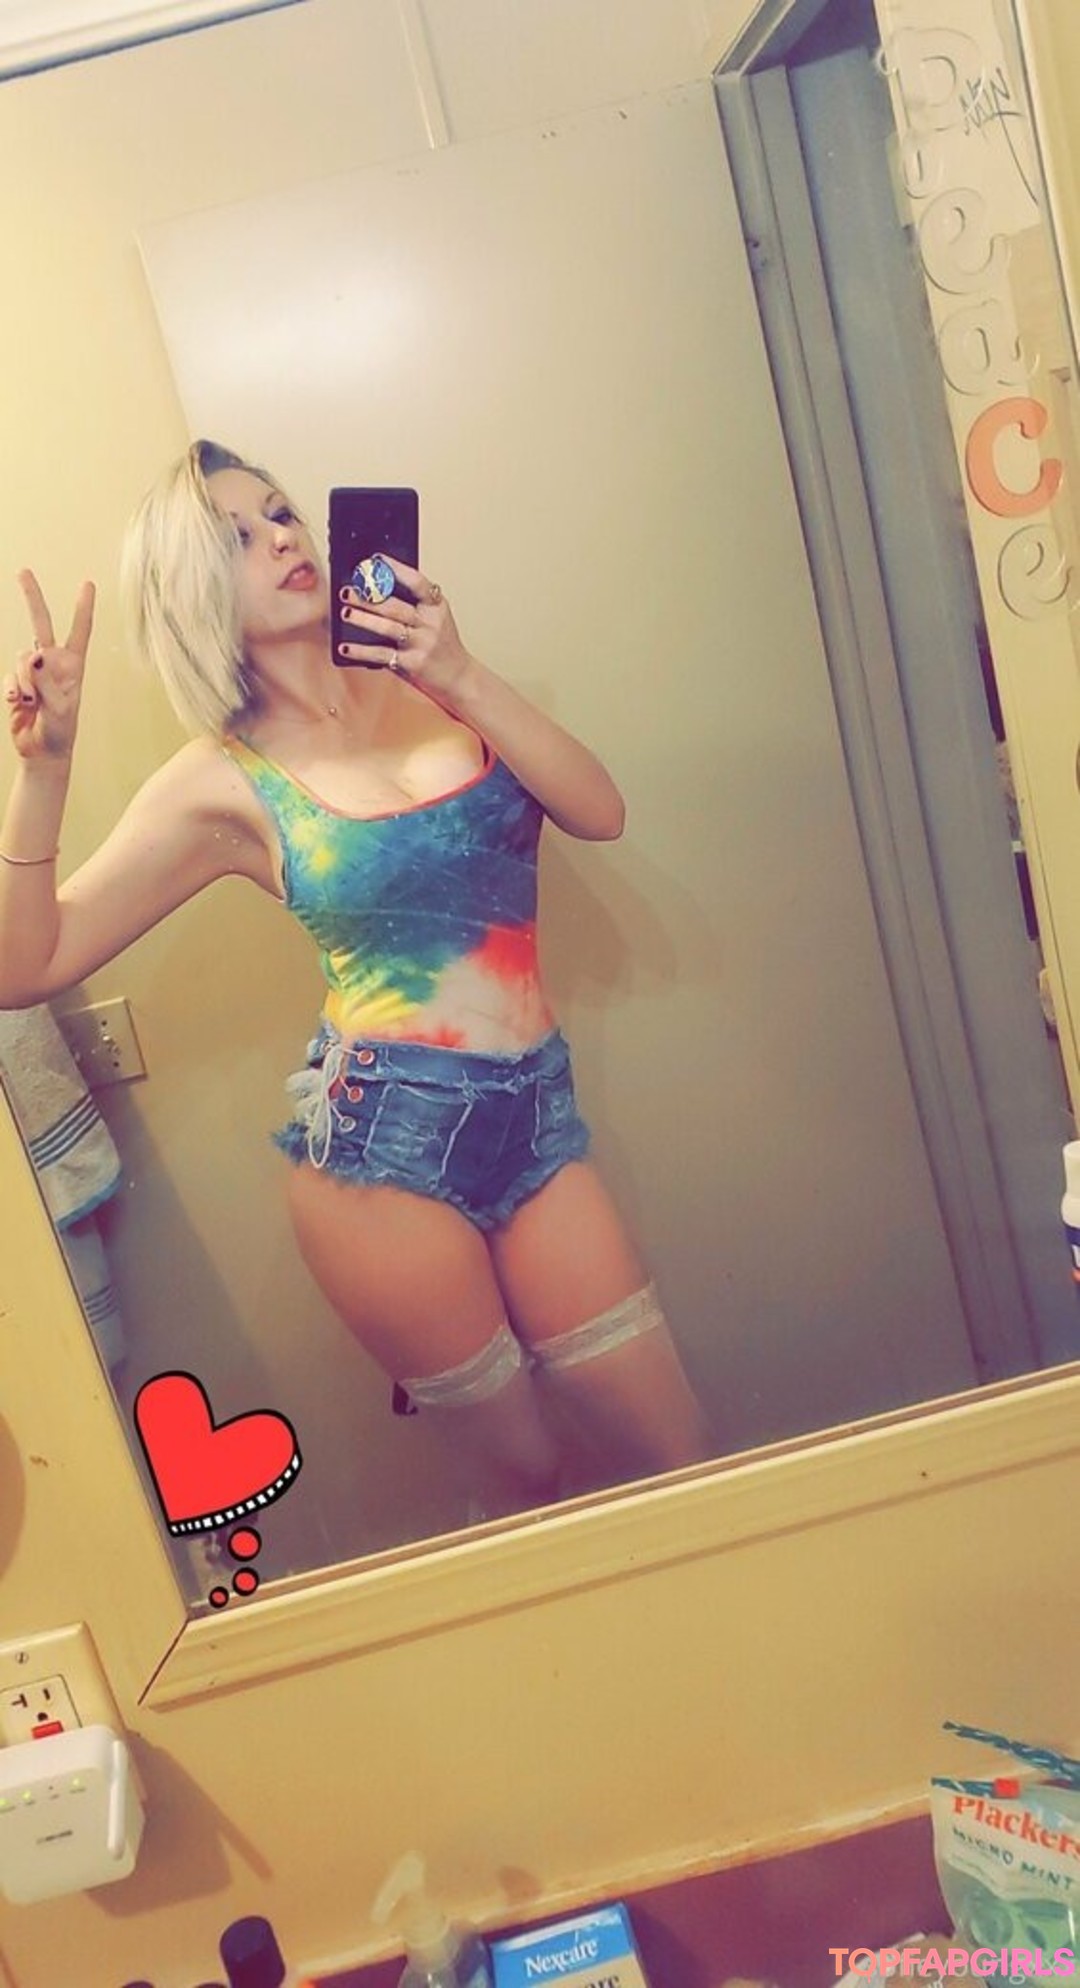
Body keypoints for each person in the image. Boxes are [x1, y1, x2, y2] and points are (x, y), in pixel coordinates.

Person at [0, 440, 712, 1515]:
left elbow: (599, 811)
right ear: (193, 591)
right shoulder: (219, 779)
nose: (284, 538)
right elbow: (27, 965)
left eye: (281, 512)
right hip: (380, 1157)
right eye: (237, 537)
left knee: (681, 1449)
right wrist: (45, 770)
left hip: (535, 1121)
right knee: (526, 1476)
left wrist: (459, 672)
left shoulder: (433, 680)